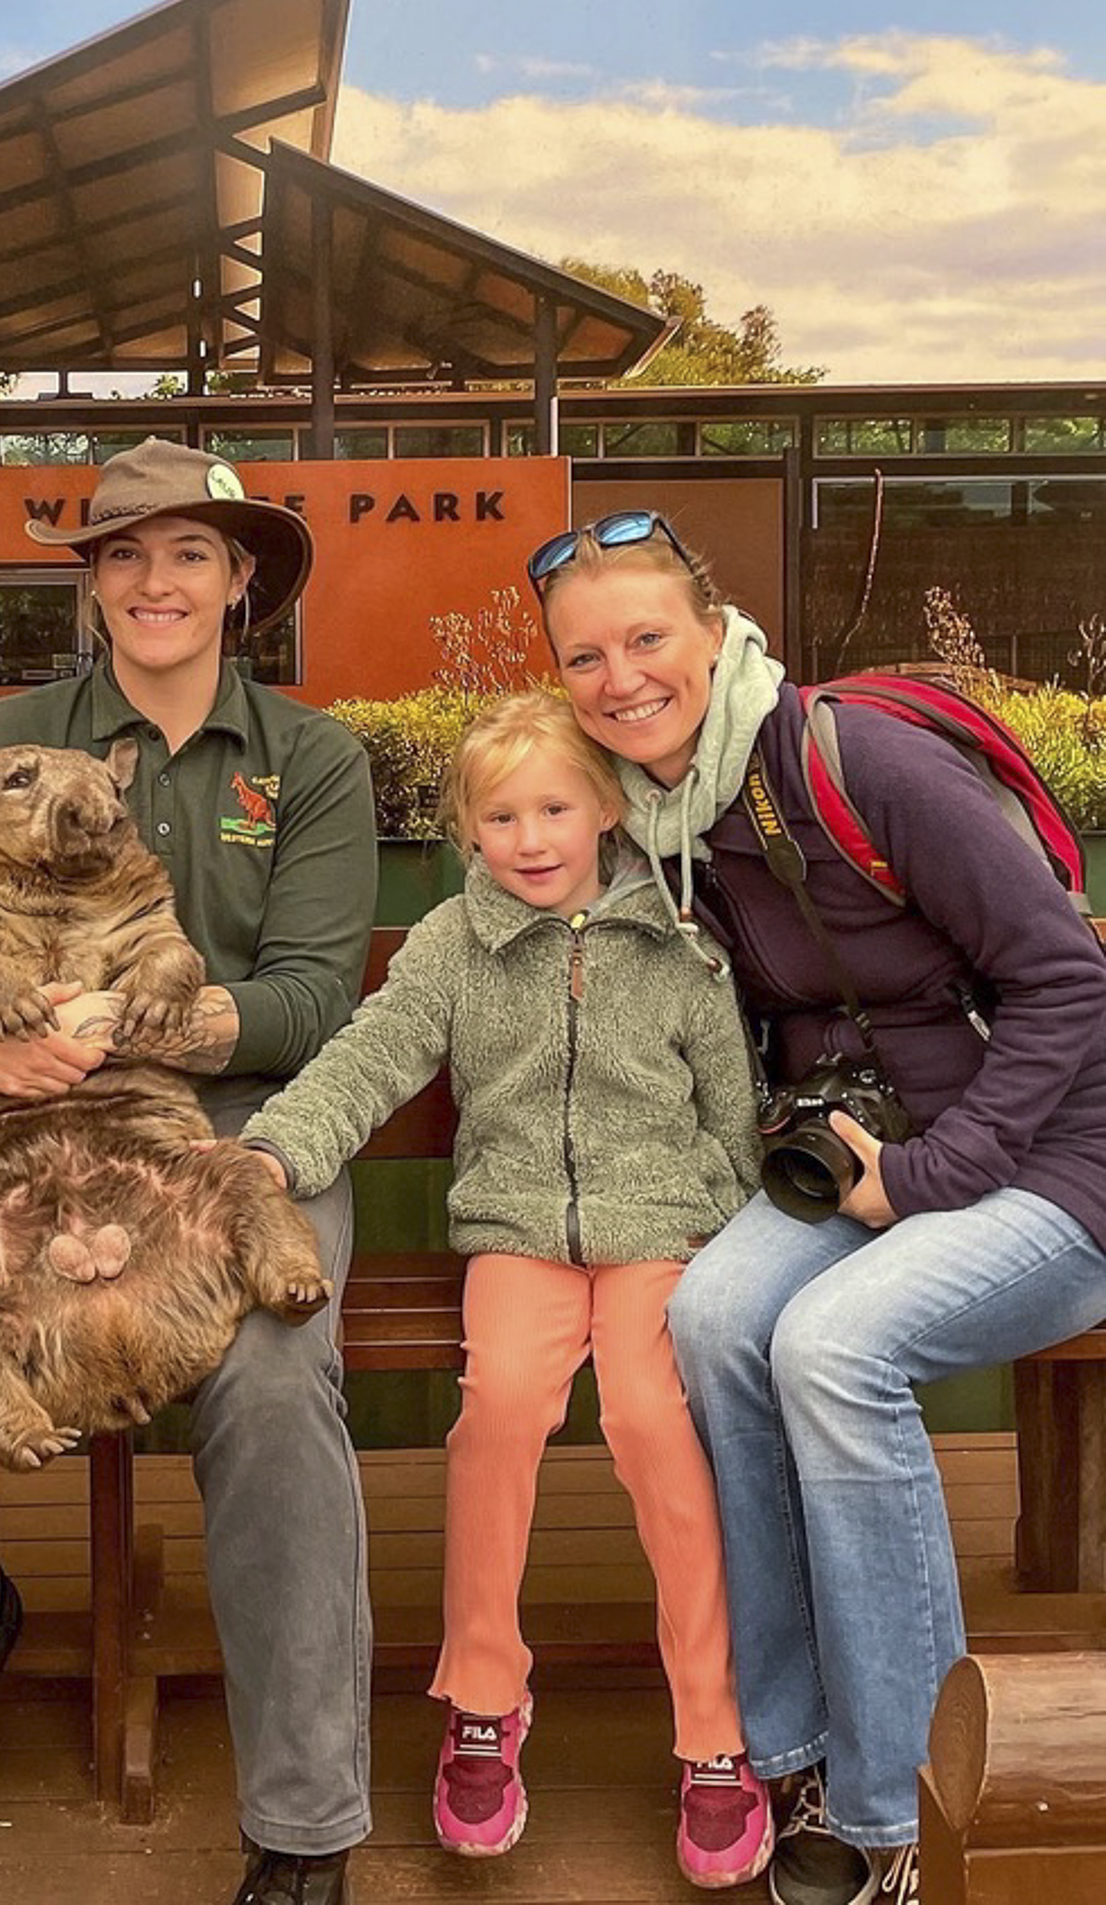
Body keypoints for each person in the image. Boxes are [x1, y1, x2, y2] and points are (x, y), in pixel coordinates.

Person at [0, 438, 377, 1903]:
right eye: (123, 553)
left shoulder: (309, 760)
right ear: (93, 583)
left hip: (217, 1135)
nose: (153, 580)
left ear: (241, 579)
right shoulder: (2, 738)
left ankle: (304, 1820)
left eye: (188, 552)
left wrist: (125, 1028)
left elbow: (314, 994)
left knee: (273, 1381)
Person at [530, 510, 1106, 1905]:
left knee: (833, 1348)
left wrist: (930, 1178)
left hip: (1052, 1161)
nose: (621, 679)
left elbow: (1067, 980)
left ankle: (903, 1802)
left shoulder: (858, 762)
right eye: (584, 657)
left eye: (647, 638)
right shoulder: (655, 818)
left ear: (715, 627)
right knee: (715, 1319)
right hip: (865, 1154)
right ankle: (789, 1744)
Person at [233, 690, 774, 1889]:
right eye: (499, 816)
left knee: (652, 1415)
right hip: (518, 1236)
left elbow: (730, 1108)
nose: (529, 838)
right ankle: (482, 1694)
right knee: (498, 1411)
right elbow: (368, 1055)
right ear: (466, 829)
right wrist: (275, 1148)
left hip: (657, 1232)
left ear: (607, 807)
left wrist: (731, 1225)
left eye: (553, 809)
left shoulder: (677, 944)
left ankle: (711, 1721)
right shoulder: (451, 945)